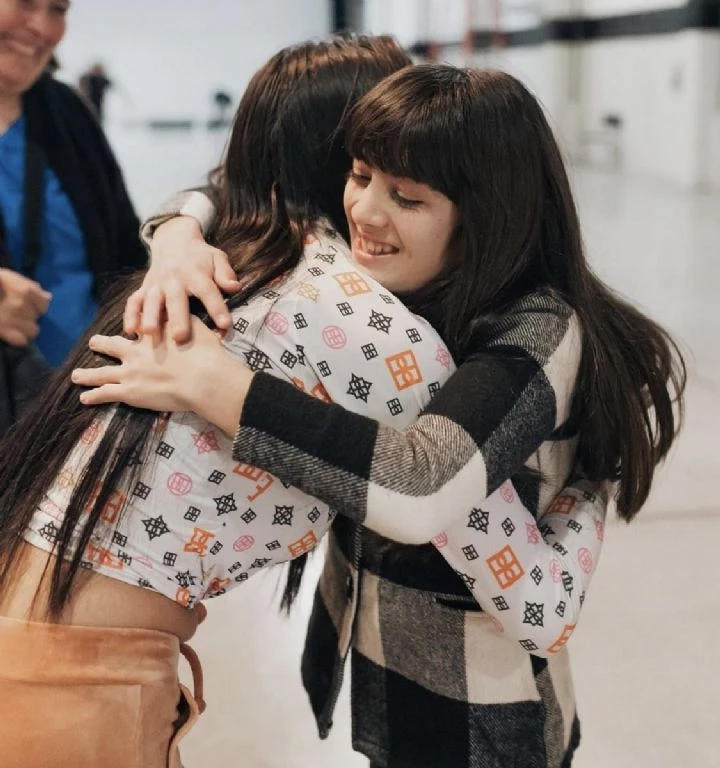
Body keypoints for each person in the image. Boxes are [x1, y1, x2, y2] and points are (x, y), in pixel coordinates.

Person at [0, 37, 596, 767]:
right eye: (366, 165)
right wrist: (594, 483)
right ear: (344, 155)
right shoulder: (368, 327)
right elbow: (540, 603)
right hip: (77, 683)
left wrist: (178, 227)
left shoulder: (227, 259)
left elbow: (215, 187)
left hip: (39, 641)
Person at [0, 0, 144, 377]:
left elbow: (126, 247)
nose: (42, 28)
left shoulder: (67, 112)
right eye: (25, 3)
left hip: (85, 394)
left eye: (58, 10)